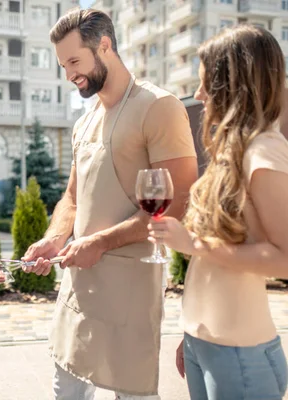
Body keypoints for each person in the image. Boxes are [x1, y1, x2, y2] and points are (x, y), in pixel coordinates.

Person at [21, 8, 199, 399]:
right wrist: (54, 237)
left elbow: (178, 200)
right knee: (64, 391)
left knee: (130, 394)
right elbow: (71, 197)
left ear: (104, 46)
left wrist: (99, 243)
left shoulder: (159, 106)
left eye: (74, 61)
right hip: (79, 284)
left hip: (130, 288)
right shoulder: (83, 122)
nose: (69, 74)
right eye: (62, 64)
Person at [148, 25, 288, 399]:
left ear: (234, 85)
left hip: (240, 355)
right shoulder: (234, 151)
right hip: (206, 343)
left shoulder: (265, 152)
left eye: (206, 83)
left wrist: (192, 243)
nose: (197, 94)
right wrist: (191, 335)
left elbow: (285, 258)